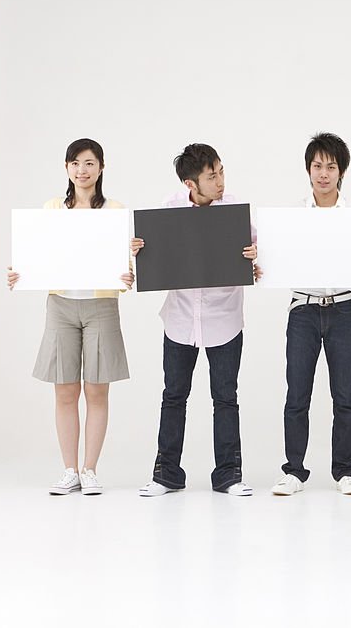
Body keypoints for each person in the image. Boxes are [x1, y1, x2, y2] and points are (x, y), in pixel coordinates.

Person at [6, 138, 134, 496]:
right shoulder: (51, 209)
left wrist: (127, 276)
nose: (83, 170)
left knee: (96, 389)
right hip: (61, 304)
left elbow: (125, 267)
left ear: (102, 167)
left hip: (101, 306)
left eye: (90, 163)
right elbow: (36, 256)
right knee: (64, 390)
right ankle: (69, 470)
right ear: (66, 168)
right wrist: (21, 274)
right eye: (76, 163)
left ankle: (89, 469)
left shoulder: (115, 211)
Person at [135, 143, 259, 497]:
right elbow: (155, 257)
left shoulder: (234, 209)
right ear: (192, 183)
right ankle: (166, 474)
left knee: (225, 397)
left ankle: (229, 475)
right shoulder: (169, 210)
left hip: (224, 317)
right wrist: (141, 251)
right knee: (174, 395)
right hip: (180, 318)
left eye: (221, 171)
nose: (219, 181)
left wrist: (254, 254)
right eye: (211, 176)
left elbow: (257, 255)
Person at [272, 133, 351, 496]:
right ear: (308, 170)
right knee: (298, 395)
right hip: (304, 310)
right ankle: (294, 470)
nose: (323, 174)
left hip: (342, 308)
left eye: (331, 167)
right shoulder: (293, 217)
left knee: (345, 396)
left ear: (341, 172)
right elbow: (277, 258)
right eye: (317, 166)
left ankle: (345, 471)